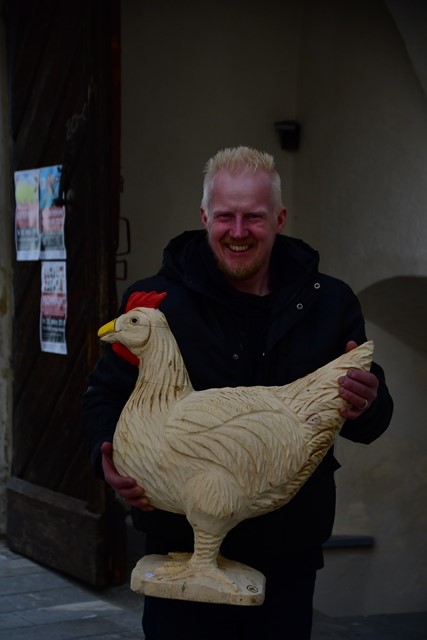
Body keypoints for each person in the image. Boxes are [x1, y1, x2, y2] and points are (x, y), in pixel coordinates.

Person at [82, 146, 393, 639]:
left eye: (254, 217)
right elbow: (105, 393)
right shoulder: (156, 303)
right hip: (176, 545)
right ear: (205, 215)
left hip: (285, 549)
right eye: (225, 216)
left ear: (279, 218)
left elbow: (370, 417)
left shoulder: (329, 303)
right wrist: (105, 454)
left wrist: (367, 403)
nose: (239, 232)